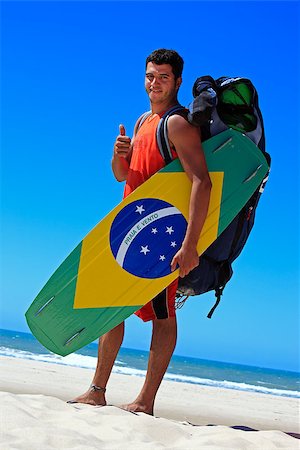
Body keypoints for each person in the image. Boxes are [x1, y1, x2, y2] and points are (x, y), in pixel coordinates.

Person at [69, 49, 212, 415]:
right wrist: (120, 154)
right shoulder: (142, 121)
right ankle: (97, 390)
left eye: (163, 77)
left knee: (163, 315)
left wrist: (190, 244)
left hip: (162, 237)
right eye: (150, 75)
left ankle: (145, 401)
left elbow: (201, 181)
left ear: (178, 81)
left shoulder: (178, 124)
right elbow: (123, 176)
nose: (154, 82)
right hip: (128, 234)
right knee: (111, 309)